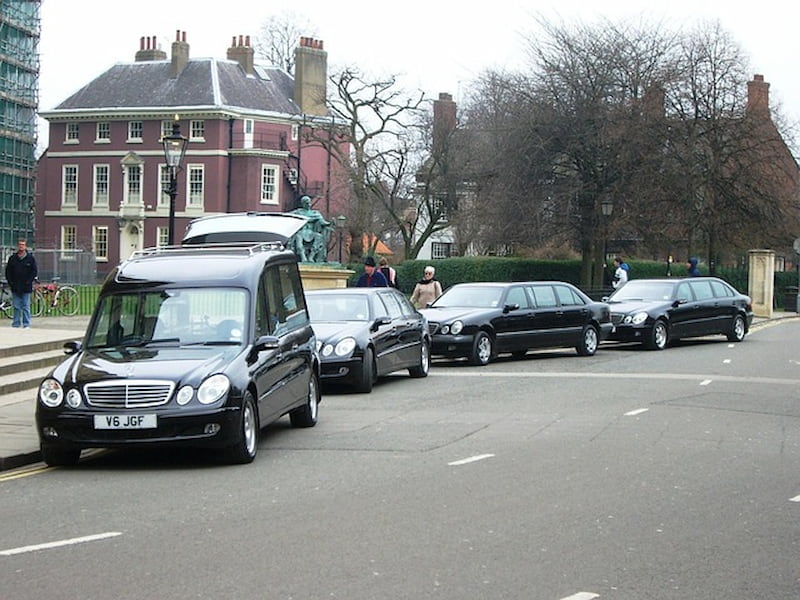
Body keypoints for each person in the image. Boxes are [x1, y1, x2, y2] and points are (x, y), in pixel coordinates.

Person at [5, 238, 38, 328]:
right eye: (20, 244)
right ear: (17, 246)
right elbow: (8, 271)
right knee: (16, 306)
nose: (21, 246)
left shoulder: (30, 258)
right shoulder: (13, 258)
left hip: (26, 286)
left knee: (26, 306)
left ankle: (26, 323)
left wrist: (28, 281)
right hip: (15, 286)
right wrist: (11, 282)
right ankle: (16, 323)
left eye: (23, 244)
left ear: (25, 246)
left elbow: (34, 271)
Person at [290, 195, 333, 263]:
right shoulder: (298, 212)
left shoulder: (315, 213)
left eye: (309, 203)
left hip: (311, 232)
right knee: (298, 236)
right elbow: (288, 216)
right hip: (301, 231)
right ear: (303, 204)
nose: (308, 204)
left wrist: (330, 223)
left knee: (319, 237)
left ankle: (311, 256)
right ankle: (303, 256)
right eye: (306, 203)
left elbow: (323, 222)